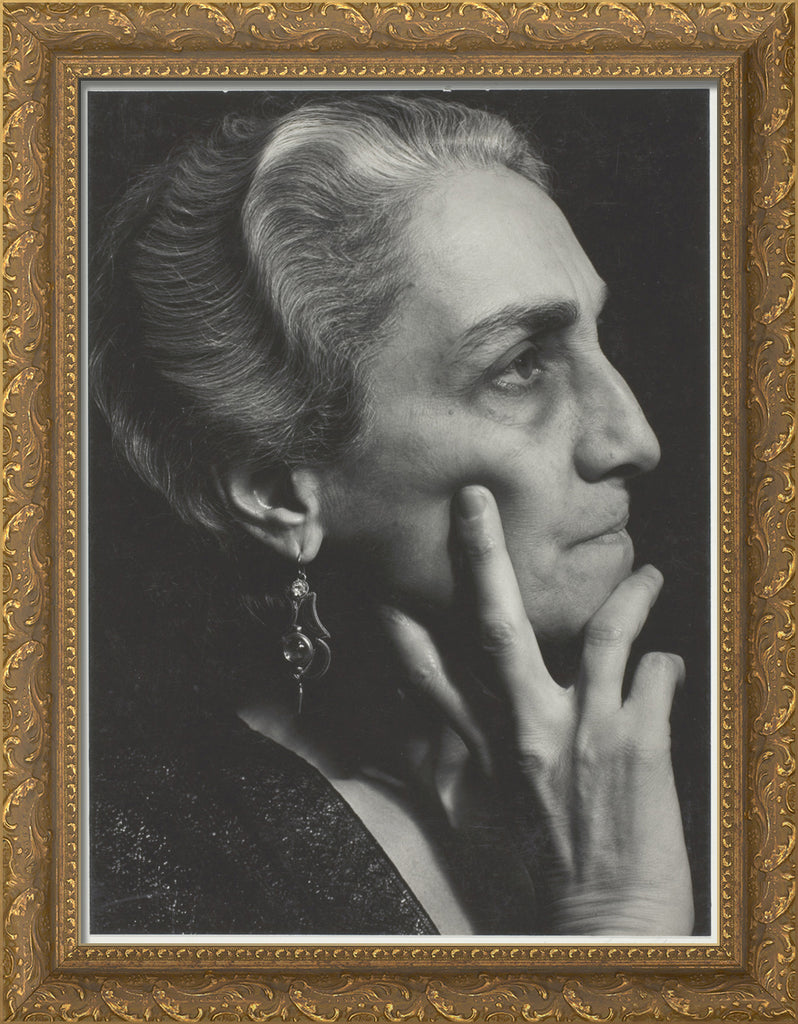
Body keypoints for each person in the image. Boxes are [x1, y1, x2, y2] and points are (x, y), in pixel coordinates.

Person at [90, 94, 697, 936]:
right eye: (521, 365)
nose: (634, 439)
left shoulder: (673, 773)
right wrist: (621, 920)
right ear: (280, 496)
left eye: (599, 336)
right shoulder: (124, 877)